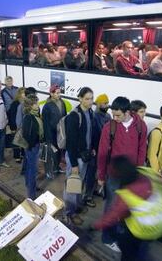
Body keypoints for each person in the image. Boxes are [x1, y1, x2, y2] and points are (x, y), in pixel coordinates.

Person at [93, 156, 162, 261]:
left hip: (143, 229)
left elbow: (112, 216)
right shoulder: (148, 172)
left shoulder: (127, 195)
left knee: (127, 249)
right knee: (142, 248)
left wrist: (94, 226)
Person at [97, 96, 147, 249]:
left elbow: (142, 150)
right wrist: (101, 176)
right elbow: (103, 153)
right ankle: (107, 238)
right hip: (114, 176)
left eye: (118, 115)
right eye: (113, 114)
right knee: (111, 207)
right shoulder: (109, 127)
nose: (115, 118)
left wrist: (139, 171)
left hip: (131, 175)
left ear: (127, 112)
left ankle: (121, 235)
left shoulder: (140, 126)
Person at [64, 87, 95, 226]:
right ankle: (69, 214)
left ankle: (76, 206)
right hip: (75, 158)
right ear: (80, 98)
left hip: (85, 155)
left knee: (79, 184)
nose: (90, 101)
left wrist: (92, 148)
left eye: (91, 99)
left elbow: (90, 133)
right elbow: (70, 142)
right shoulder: (74, 116)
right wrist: (74, 164)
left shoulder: (90, 112)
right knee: (72, 186)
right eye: (87, 99)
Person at [42, 85, 67, 179]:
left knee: (59, 150)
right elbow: (45, 122)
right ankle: (51, 170)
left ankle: (57, 167)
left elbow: (64, 116)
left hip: (60, 132)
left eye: (59, 92)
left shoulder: (62, 102)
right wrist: (48, 137)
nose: (59, 94)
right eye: (57, 93)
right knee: (52, 152)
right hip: (51, 133)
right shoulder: (47, 106)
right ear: (51, 93)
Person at [22, 95, 43, 199]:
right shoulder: (28, 117)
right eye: (36, 103)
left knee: (30, 168)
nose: (38, 105)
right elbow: (26, 134)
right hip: (32, 147)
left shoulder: (35, 114)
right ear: (30, 105)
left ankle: (30, 186)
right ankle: (31, 194)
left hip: (34, 145)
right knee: (32, 170)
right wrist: (31, 145)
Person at [7, 87, 26, 163]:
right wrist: (13, 127)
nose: (25, 95)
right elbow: (12, 116)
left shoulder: (26, 103)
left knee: (22, 141)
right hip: (16, 126)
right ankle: (17, 156)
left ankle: (22, 154)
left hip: (23, 126)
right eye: (24, 93)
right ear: (20, 94)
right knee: (16, 141)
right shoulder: (15, 103)